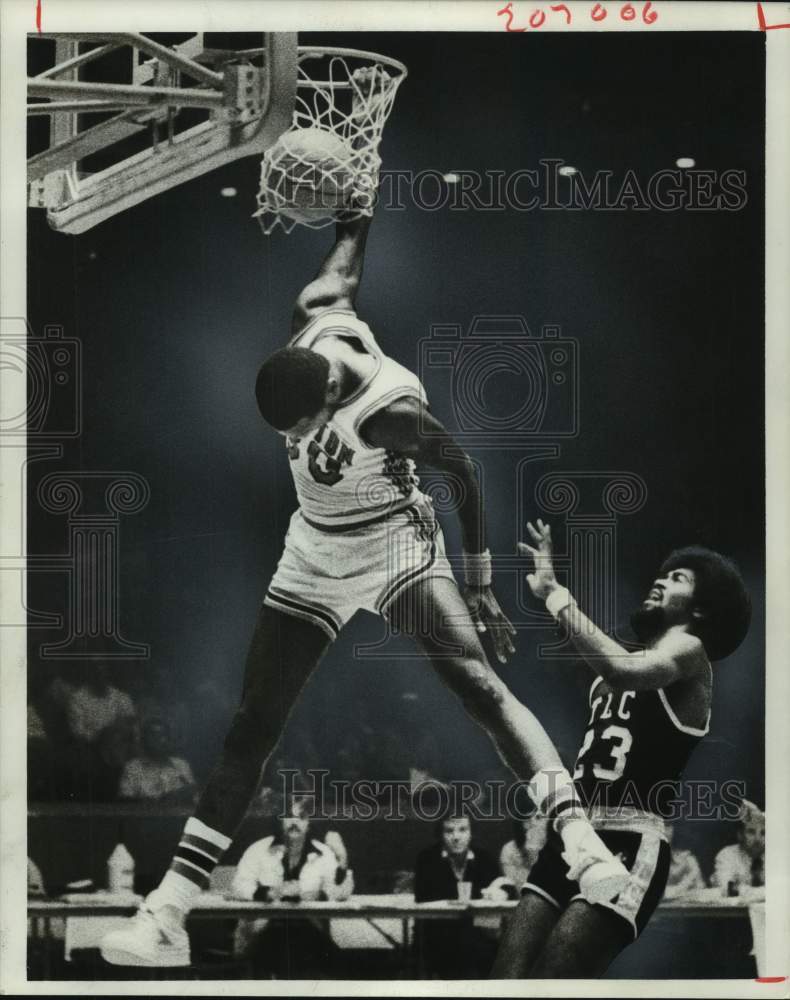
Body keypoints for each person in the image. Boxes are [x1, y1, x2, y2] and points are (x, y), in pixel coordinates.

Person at [101, 82, 627, 966]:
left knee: (480, 691)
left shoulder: (391, 412)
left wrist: (482, 582)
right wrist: (357, 173)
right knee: (250, 727)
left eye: (296, 430)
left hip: (393, 542)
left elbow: (463, 473)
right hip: (312, 548)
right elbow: (353, 230)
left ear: (326, 404)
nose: (291, 440)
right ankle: (166, 917)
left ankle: (584, 848)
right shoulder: (319, 309)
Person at [493, 521, 751, 978]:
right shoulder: (625, 664)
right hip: (574, 835)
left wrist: (554, 593)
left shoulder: (691, 653)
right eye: (664, 573)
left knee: (555, 980)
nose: (661, 579)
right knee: (505, 977)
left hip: (631, 842)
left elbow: (619, 670)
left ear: (703, 609)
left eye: (679, 578)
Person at [229, 798, 352, 977]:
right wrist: (268, 892)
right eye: (289, 816)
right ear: (281, 821)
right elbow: (238, 885)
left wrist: (342, 859)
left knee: (337, 964)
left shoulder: (323, 852)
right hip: (265, 931)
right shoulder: (259, 849)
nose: (294, 822)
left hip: (309, 929)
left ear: (308, 823)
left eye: (301, 817)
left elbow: (341, 892)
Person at [414, 815, 503, 978]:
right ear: (440, 834)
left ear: (471, 833)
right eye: (449, 831)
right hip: (440, 937)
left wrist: (500, 893)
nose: (456, 837)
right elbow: (422, 899)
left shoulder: (484, 858)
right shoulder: (426, 859)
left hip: (479, 938)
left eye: (462, 830)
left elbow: (503, 886)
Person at [118, 717, 197, 804]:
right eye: (153, 735)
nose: (159, 740)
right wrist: (155, 802)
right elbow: (125, 801)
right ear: (144, 739)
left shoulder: (181, 765)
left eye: (163, 735)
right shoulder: (133, 767)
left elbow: (194, 797)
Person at [710, 799, 765, 893]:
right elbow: (727, 888)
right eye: (751, 832)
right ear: (740, 835)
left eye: (763, 833)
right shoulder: (727, 855)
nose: (757, 839)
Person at [499, 816, 549, 892]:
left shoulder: (560, 849)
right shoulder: (510, 849)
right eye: (527, 820)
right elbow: (519, 889)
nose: (533, 823)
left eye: (539, 818)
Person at [662, 823, 705, 900]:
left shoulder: (687, 859)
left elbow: (701, 891)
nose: (663, 830)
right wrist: (684, 886)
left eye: (667, 825)